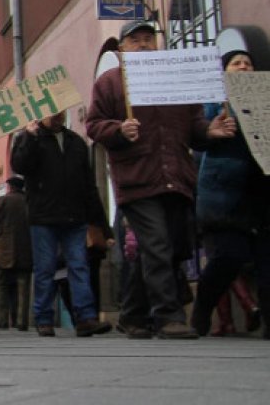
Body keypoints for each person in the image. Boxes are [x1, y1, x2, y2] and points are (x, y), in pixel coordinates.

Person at [86, 20, 236, 339]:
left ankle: (132, 315)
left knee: (161, 248)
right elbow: (94, 125)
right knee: (156, 244)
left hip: (176, 177)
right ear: (122, 48)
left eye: (148, 39)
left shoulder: (174, 78)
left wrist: (209, 132)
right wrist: (118, 130)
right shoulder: (110, 83)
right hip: (137, 179)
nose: (143, 45)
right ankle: (168, 316)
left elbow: (194, 124)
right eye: (135, 40)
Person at [11, 110, 114, 337]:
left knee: (79, 266)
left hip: (75, 217)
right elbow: (19, 165)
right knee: (45, 269)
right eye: (52, 112)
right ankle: (44, 318)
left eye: (60, 112)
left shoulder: (75, 142)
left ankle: (86, 318)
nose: (56, 116)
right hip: (43, 217)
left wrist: (102, 226)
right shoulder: (31, 138)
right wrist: (29, 136)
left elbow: (90, 186)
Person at [190, 49, 270, 338]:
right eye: (236, 63)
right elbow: (197, 135)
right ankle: (202, 310)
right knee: (228, 257)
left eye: (248, 63)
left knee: (267, 262)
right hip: (225, 195)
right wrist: (213, 131)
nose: (244, 67)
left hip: (261, 193)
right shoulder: (214, 100)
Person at [0, 177, 31, 330]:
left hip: (4, 247)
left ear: (10, 186)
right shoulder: (28, 201)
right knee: (23, 286)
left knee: (2, 285)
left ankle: (2, 320)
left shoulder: (2, 201)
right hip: (25, 248)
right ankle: (22, 321)